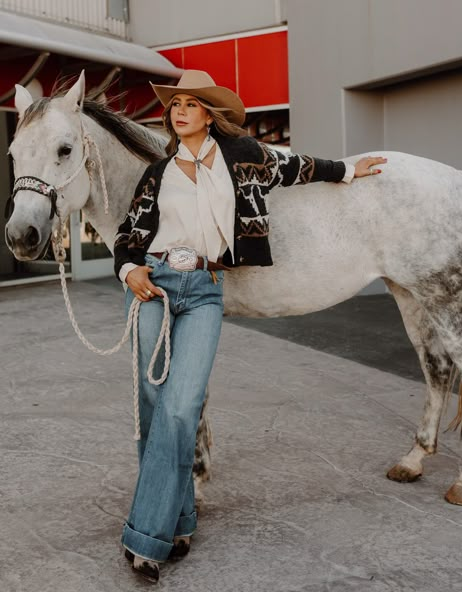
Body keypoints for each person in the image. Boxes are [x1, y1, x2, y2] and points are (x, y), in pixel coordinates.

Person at [113, 69, 387, 583]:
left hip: (204, 291)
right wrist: (130, 270)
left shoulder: (243, 157)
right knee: (154, 405)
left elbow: (298, 166)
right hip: (155, 286)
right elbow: (129, 236)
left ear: (209, 114)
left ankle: (145, 539)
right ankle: (179, 521)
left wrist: (349, 171)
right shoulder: (156, 172)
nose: (180, 111)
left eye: (191, 104)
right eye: (175, 105)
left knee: (182, 406)